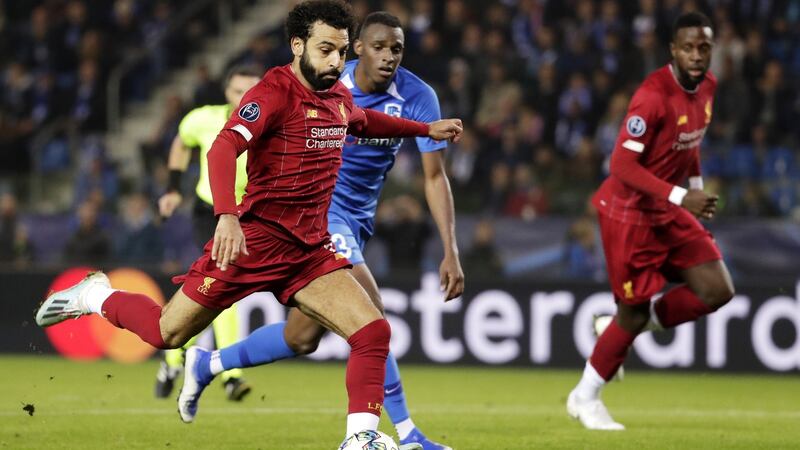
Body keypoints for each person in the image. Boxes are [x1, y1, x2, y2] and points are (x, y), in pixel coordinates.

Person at [35, 1, 463, 445]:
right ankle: (97, 294)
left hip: (309, 252)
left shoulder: (338, 95)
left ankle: (359, 439)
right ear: (298, 46)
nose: (336, 62)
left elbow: (360, 121)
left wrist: (421, 130)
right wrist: (226, 216)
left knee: (373, 330)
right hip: (253, 242)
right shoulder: (273, 92)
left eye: (340, 52)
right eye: (325, 50)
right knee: (167, 332)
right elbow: (223, 149)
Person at [180, 12, 463, 450]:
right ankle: (407, 434)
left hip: (361, 217)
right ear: (359, 50)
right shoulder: (330, 81)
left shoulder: (418, 95)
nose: (388, 57)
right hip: (321, 214)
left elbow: (432, 176)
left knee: (301, 337)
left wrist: (451, 249)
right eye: (379, 47)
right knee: (372, 316)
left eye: (397, 49)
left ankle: (208, 364)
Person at [566, 12, 735, 431]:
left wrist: (695, 187)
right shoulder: (652, 95)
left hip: (669, 209)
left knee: (717, 290)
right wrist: (682, 195)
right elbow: (621, 163)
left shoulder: (708, 87)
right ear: (673, 51)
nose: (697, 56)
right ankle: (584, 397)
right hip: (630, 215)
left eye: (704, 47)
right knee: (633, 313)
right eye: (688, 48)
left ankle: (617, 330)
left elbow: (689, 142)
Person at [152, 65, 263, 402]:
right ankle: (229, 374)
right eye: (236, 91)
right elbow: (181, 143)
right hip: (211, 211)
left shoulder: (273, 122)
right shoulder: (203, 119)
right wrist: (173, 187)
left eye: (251, 90)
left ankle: (172, 358)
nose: (244, 98)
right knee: (221, 283)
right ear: (225, 93)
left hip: (252, 214)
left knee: (211, 288)